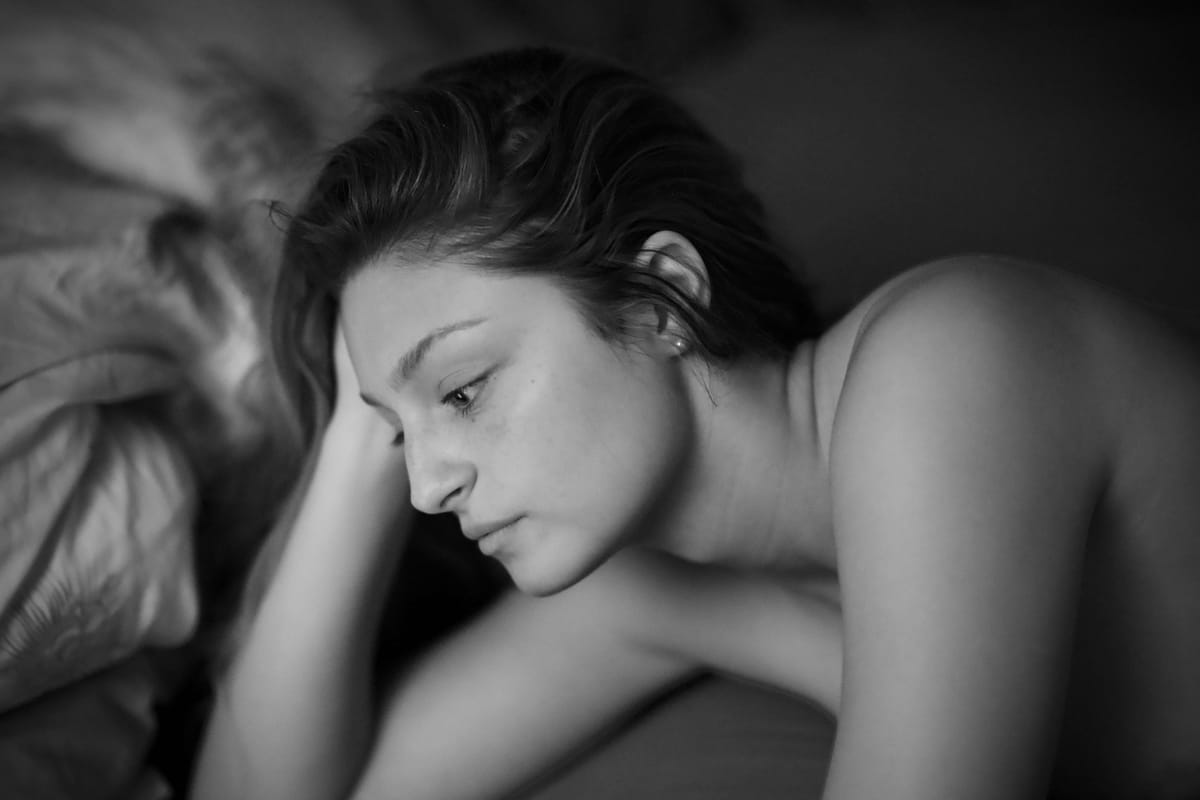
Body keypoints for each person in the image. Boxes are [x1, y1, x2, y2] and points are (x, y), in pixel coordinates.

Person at [190, 46, 1200, 800]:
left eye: (464, 388)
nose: (428, 487)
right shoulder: (659, 586)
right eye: (406, 438)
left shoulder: (949, 360)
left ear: (659, 298)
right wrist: (360, 435)